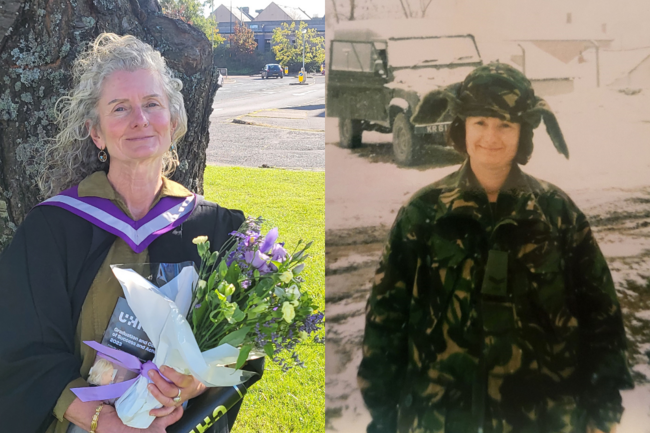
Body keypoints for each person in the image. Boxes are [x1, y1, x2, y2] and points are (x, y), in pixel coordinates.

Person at [0, 33, 261, 433]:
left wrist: (196, 381)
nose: (140, 118)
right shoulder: (52, 229)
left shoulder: (216, 228)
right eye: (120, 108)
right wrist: (101, 421)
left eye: (152, 104)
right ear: (97, 132)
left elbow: (246, 345)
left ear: (173, 121)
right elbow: (19, 349)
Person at [357, 63, 633, 433]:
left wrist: (603, 413)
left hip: (547, 418)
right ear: (462, 128)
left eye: (506, 125)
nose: (492, 136)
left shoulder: (557, 213)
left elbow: (601, 316)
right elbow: (386, 320)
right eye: (480, 123)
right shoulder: (423, 212)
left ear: (523, 133)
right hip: (439, 419)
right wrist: (384, 415)